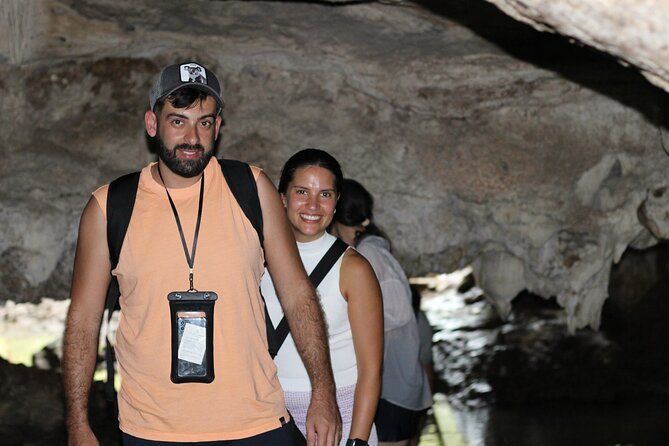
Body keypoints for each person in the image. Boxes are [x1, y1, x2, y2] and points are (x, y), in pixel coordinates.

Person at [62, 62, 341, 446]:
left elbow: (297, 293)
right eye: (178, 121)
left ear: (218, 128)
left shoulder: (251, 188)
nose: (193, 137)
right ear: (152, 123)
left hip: (256, 422)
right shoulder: (110, 207)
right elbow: (83, 319)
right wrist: (77, 422)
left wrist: (323, 393)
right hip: (153, 431)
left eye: (205, 123)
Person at [260, 149, 384, 446]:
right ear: (282, 197)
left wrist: (358, 440)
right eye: (302, 191)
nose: (313, 205)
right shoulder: (257, 259)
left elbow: (372, 370)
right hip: (269, 415)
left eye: (325, 194)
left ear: (336, 202)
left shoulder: (353, 269)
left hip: (340, 417)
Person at [330, 179, 432, 446]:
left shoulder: (369, 254)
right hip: (395, 385)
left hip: (391, 388)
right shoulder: (368, 250)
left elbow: (398, 312)